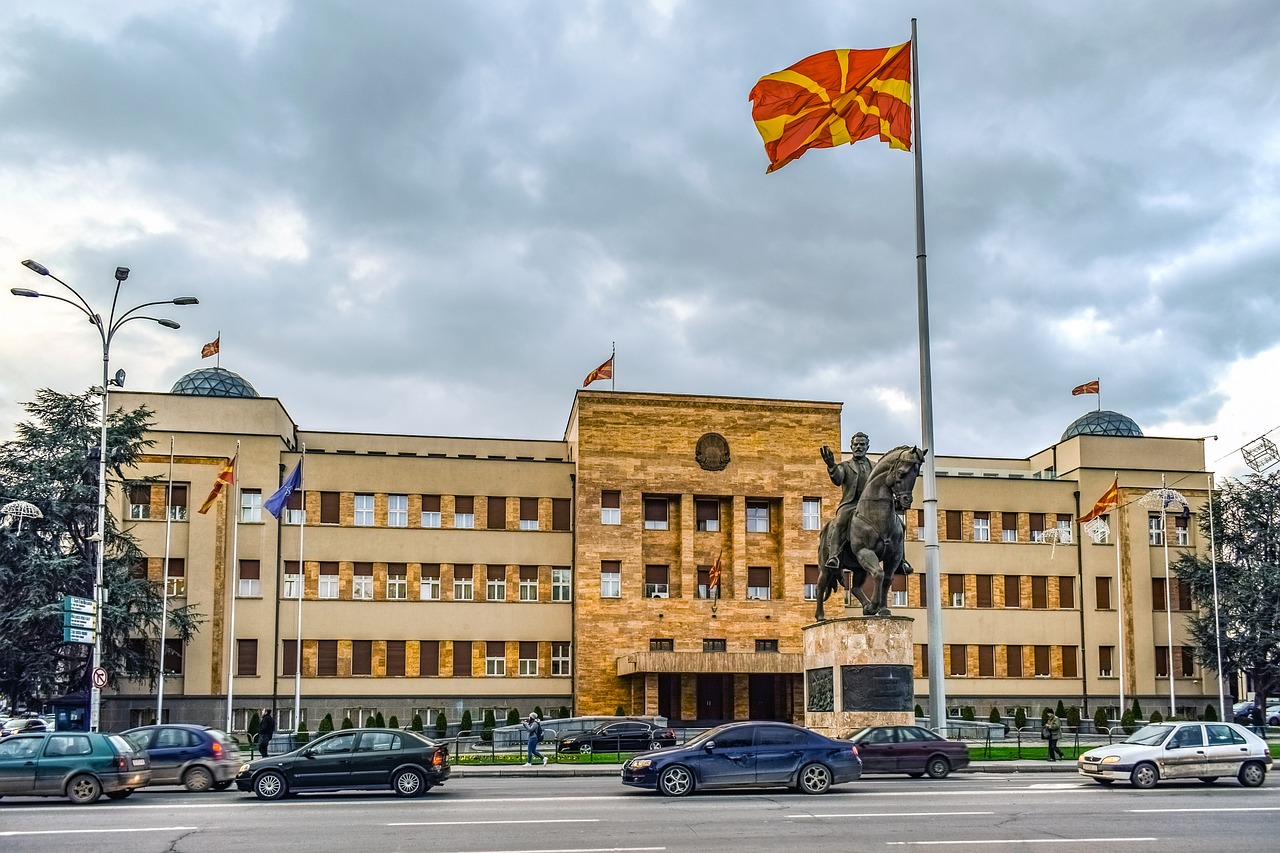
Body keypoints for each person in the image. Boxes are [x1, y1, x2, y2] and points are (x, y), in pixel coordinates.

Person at [820, 432, 873, 571]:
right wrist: (831, 465)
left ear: (867, 446)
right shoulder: (845, 465)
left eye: (862, 444)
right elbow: (838, 479)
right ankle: (834, 556)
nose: (858, 447)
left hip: (870, 506)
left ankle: (900, 559)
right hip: (850, 504)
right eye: (856, 444)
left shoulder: (875, 466)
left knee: (898, 524)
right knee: (840, 522)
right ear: (851, 446)